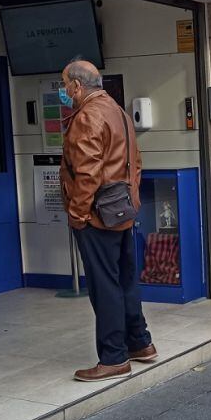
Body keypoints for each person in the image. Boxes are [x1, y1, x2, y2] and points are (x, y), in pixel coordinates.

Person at [59, 60, 156, 381]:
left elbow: (87, 172)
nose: (65, 92)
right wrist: (133, 200)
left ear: (77, 85)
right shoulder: (119, 112)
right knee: (125, 278)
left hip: (97, 214)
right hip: (121, 209)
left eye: (65, 85)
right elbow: (136, 163)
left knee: (104, 286)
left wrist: (77, 213)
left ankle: (114, 357)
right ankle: (140, 343)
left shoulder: (88, 116)